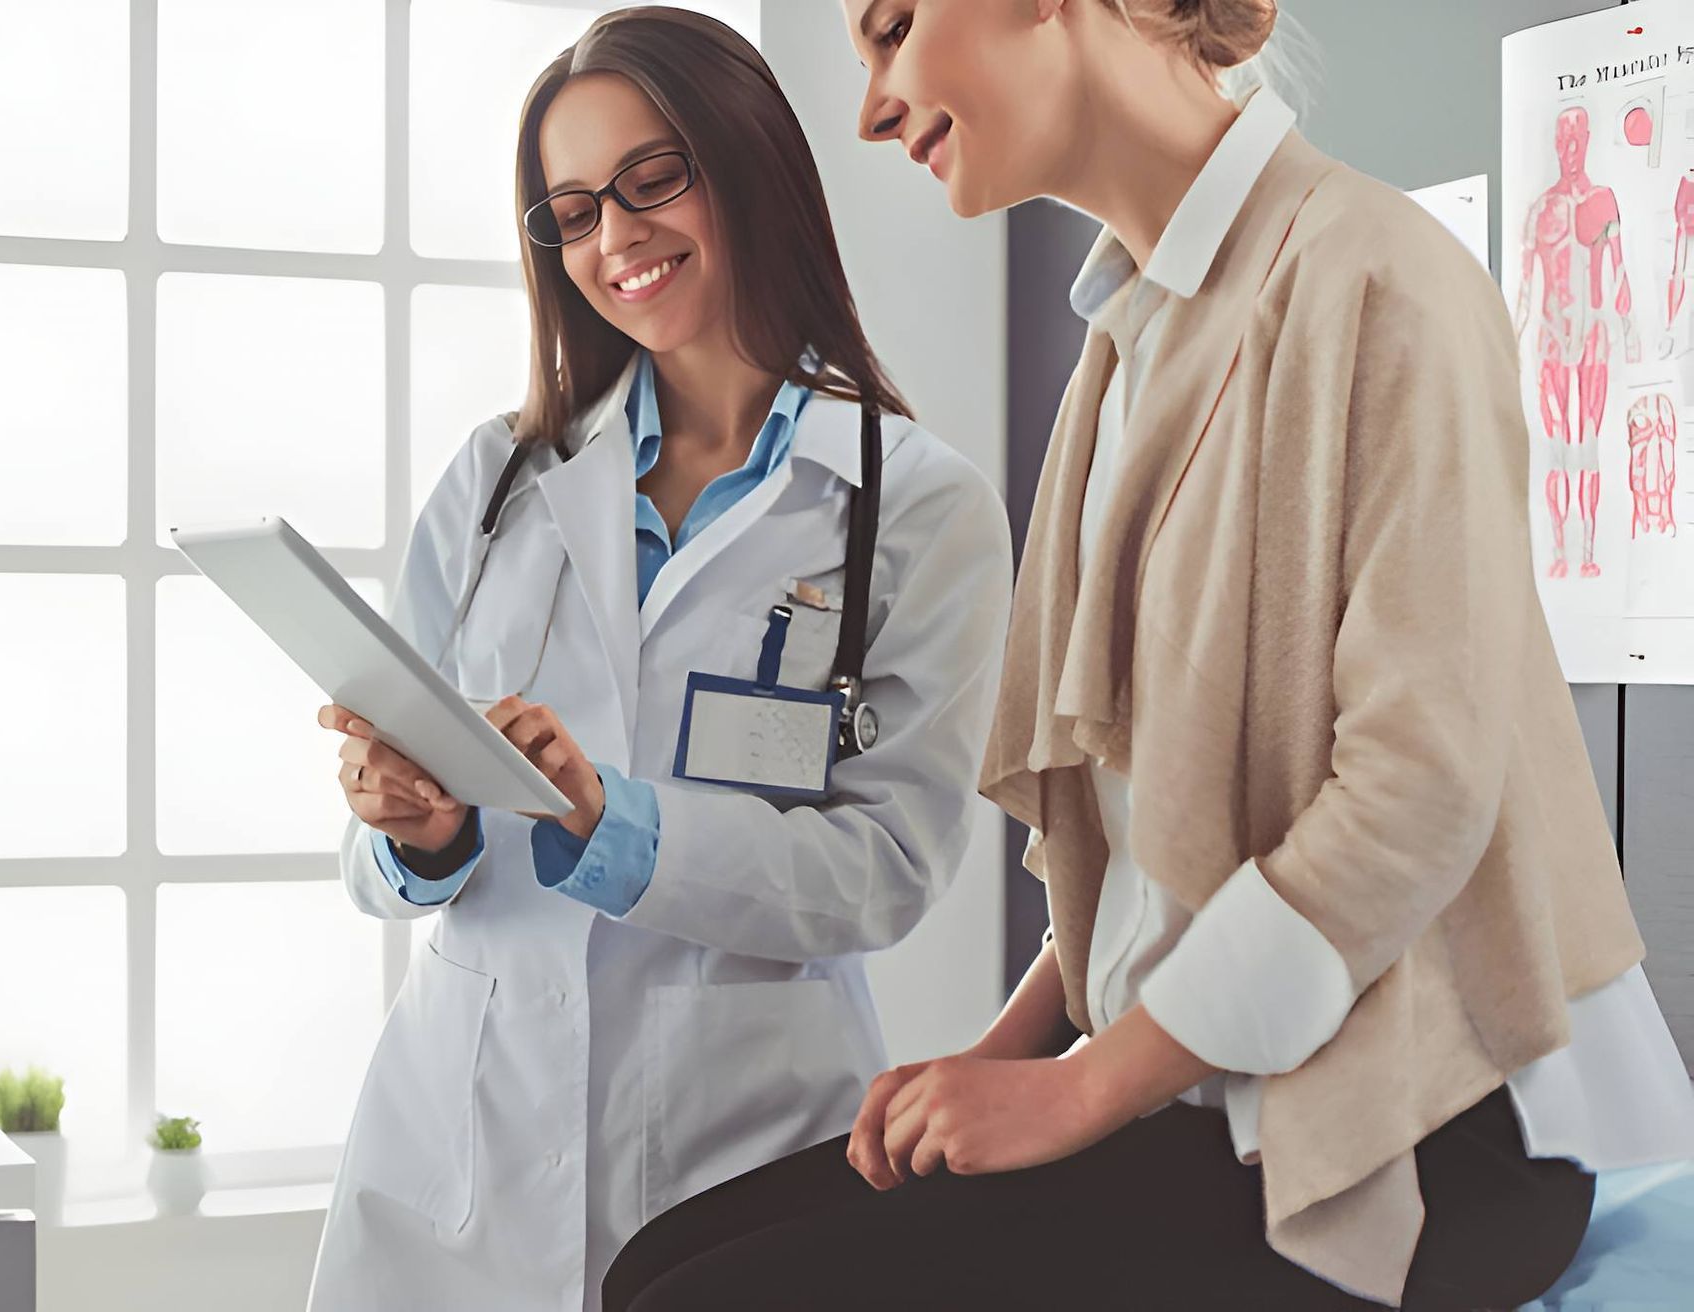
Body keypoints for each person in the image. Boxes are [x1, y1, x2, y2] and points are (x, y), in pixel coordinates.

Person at [602, 2, 1694, 1308]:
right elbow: (1155, 838)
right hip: (1205, 1085)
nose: (872, 108)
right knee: (654, 1267)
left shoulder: (1378, 278)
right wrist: (1008, 1055)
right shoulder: (1124, 349)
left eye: (893, 28)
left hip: (1440, 1121)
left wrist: (1078, 1091)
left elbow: (1416, 796)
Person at [304, 8, 1013, 1310]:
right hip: (459, 1162)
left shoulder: (915, 506)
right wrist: (412, 831)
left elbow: (888, 874)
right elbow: (380, 861)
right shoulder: (493, 483)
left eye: (652, 179)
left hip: (744, 1161)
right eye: (572, 212)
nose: (617, 239)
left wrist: (610, 819)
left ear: (746, 160)